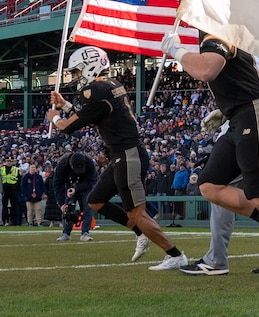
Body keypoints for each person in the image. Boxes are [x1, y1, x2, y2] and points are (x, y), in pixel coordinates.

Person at [162, 31, 259, 281]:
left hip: (252, 116)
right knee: (210, 185)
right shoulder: (230, 41)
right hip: (239, 118)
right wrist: (224, 112)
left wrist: (177, 52)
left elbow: (206, 71)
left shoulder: (219, 33)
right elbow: (244, 82)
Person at [48, 45, 187, 270]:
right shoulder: (110, 86)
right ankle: (140, 232)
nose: (75, 77)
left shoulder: (95, 91)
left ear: (89, 67)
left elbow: (67, 127)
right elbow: (93, 117)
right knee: (96, 200)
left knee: (137, 213)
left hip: (128, 154)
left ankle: (175, 255)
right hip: (122, 154)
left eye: (76, 71)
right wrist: (65, 105)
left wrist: (54, 117)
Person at [179, 54, 259, 277]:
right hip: (245, 131)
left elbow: (256, 95)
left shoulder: (245, 60)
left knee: (218, 187)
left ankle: (217, 259)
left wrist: (177, 52)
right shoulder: (248, 60)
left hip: (250, 131)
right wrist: (225, 114)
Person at [53, 151, 97, 242]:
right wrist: (61, 203)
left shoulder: (89, 163)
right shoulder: (62, 165)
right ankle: (66, 233)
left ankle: (85, 233)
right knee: (68, 208)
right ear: (71, 165)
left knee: (87, 208)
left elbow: (91, 181)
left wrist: (76, 189)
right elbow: (57, 184)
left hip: (86, 186)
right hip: (70, 185)